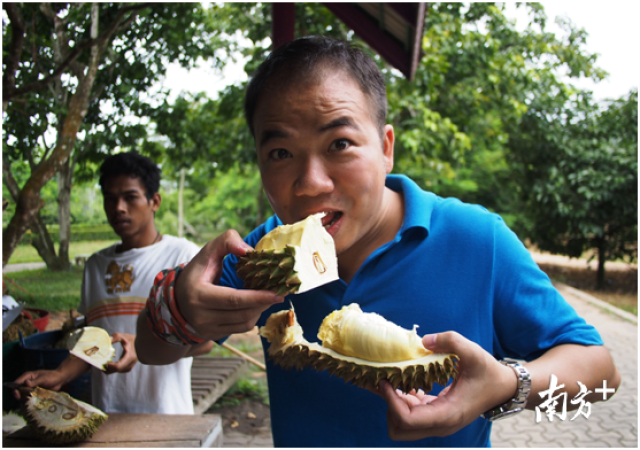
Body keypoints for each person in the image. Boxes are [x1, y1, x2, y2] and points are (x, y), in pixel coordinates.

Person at [135, 37, 621, 446]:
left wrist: (507, 386)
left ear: (386, 147)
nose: (309, 183)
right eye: (280, 152)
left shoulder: (476, 239)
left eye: (339, 144)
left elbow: (600, 370)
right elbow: (154, 349)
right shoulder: (263, 253)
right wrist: (178, 307)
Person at [14, 152, 213, 414]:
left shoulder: (183, 257)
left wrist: (143, 346)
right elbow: (95, 339)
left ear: (154, 201)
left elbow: (206, 341)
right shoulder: (96, 265)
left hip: (166, 414)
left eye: (130, 197)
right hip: (106, 414)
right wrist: (60, 375)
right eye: (110, 198)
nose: (118, 207)